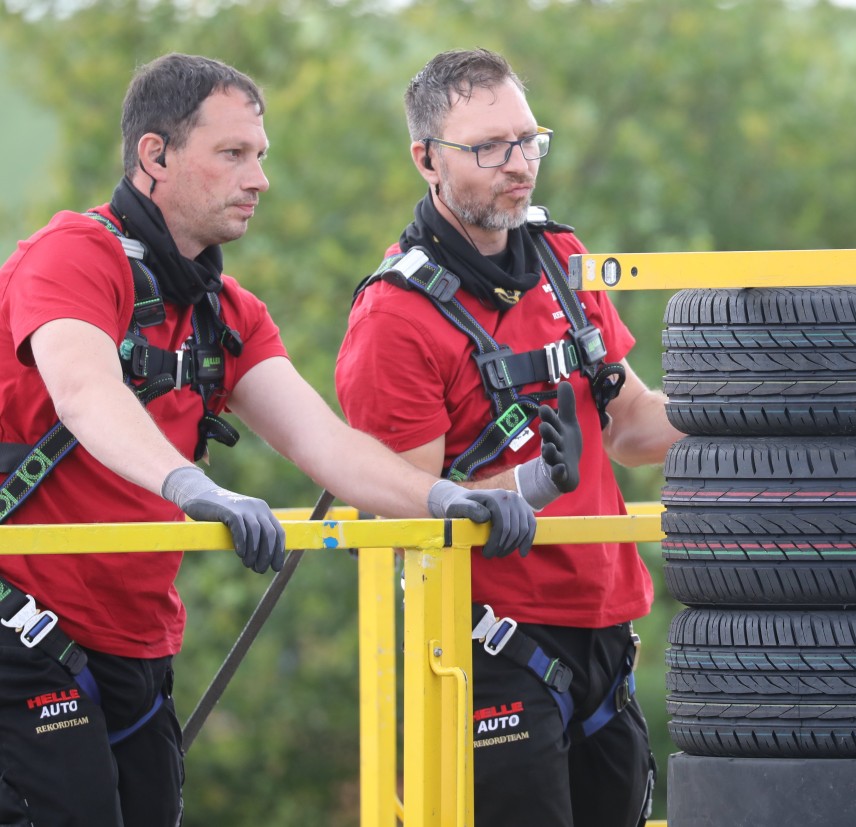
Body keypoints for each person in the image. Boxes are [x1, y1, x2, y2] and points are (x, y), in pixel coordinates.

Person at [0, 52, 575, 827]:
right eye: (232, 154)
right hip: (22, 631)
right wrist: (194, 486)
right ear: (155, 157)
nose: (259, 178)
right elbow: (83, 390)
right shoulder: (72, 256)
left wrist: (448, 498)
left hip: (136, 647)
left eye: (260, 156)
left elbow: (327, 446)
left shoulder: (227, 312)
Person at [335, 48, 684, 827]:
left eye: (530, 141)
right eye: (489, 147)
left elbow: (630, 425)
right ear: (426, 158)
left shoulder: (565, 261)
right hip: (490, 650)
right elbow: (406, 511)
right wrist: (525, 486)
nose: (518, 164)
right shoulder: (394, 316)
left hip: (607, 631)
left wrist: (760, 403)